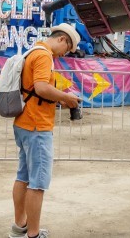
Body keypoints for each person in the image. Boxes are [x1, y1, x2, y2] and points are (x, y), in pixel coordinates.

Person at [9, 23, 81, 238]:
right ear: (62, 40)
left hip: (24, 122)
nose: (64, 54)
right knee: (38, 183)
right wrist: (66, 98)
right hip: (36, 126)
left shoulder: (34, 50)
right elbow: (41, 87)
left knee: (23, 177)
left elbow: (36, 89)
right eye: (66, 50)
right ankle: (33, 234)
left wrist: (58, 97)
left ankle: (19, 226)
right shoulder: (44, 55)